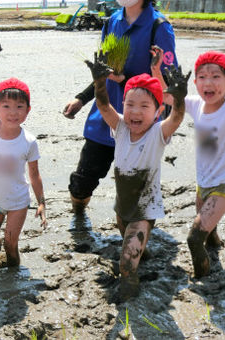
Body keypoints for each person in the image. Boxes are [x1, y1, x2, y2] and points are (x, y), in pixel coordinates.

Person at [85, 50, 189, 301]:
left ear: (157, 111)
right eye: (130, 104)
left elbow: (176, 117)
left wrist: (179, 97)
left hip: (144, 208)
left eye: (144, 106)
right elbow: (103, 105)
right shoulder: (120, 127)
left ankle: (129, 296)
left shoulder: (157, 134)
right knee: (127, 238)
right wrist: (100, 82)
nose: (136, 111)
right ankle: (143, 251)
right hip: (123, 205)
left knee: (126, 263)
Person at [62, 0, 177, 214]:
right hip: (105, 116)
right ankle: (78, 218)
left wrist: (125, 80)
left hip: (140, 123)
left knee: (134, 187)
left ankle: (134, 234)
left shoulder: (159, 27)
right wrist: (81, 99)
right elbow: (105, 71)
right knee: (82, 182)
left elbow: (170, 83)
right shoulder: (112, 22)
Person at [154, 51, 225, 278]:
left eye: (216, 76)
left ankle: (203, 283)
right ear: (195, 83)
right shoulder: (196, 104)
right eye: (202, 77)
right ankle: (216, 246)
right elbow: (167, 97)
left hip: (223, 185)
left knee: (194, 238)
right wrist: (157, 70)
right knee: (209, 234)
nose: (209, 82)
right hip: (202, 184)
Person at [0, 78, 47, 267]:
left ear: (28, 110)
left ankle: (13, 280)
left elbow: (34, 174)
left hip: (18, 202)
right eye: (6, 106)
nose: (13, 112)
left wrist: (41, 203)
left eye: (20, 106)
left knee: (10, 244)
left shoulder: (28, 141)